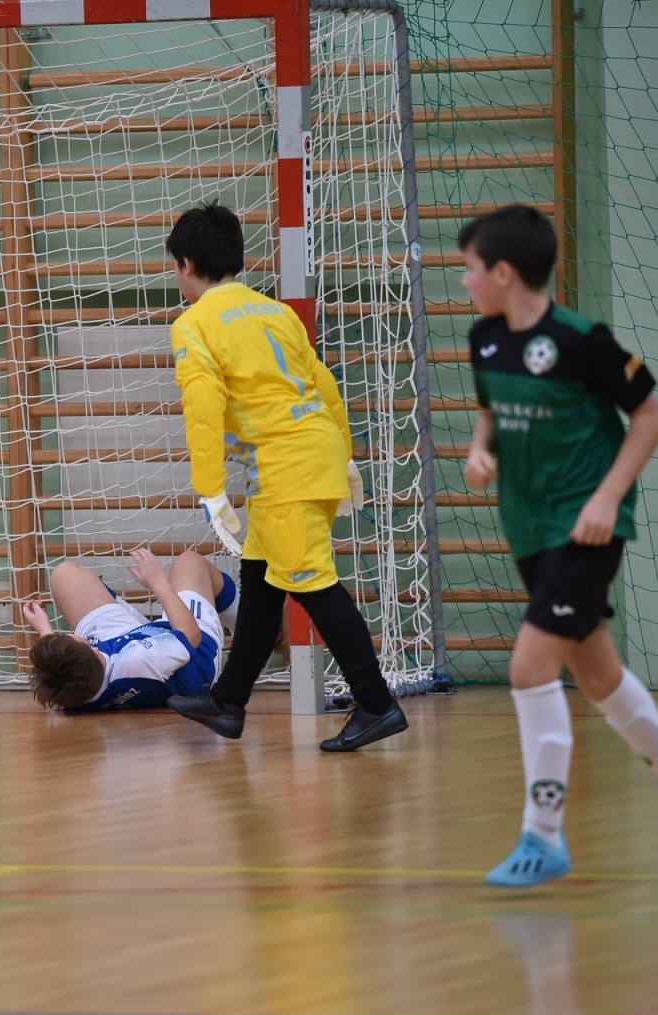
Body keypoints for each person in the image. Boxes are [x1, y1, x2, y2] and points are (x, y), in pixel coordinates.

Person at [458, 204, 658, 887]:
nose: (464, 281)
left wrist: (606, 497)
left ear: (503, 273)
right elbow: (488, 414)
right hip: (531, 528)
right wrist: (481, 452)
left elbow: (649, 416)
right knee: (596, 675)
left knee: (529, 668)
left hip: (588, 529)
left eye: (470, 268)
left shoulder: (582, 341)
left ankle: (544, 836)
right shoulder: (485, 339)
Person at [160, 201, 408, 751]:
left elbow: (202, 407)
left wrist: (209, 487)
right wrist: (342, 457)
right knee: (261, 578)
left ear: (186, 264)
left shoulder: (194, 324)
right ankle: (228, 701)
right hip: (312, 452)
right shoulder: (275, 312)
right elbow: (321, 382)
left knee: (314, 585)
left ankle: (375, 703)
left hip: (286, 469)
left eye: (175, 267)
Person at [22, 549, 239, 712]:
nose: (72, 634)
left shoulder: (74, 694)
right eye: (72, 638)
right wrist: (157, 582)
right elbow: (190, 633)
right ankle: (255, 628)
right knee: (189, 561)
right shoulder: (137, 660)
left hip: (122, 646)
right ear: (95, 650)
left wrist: (44, 629)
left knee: (64, 575)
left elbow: (58, 672)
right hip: (194, 653)